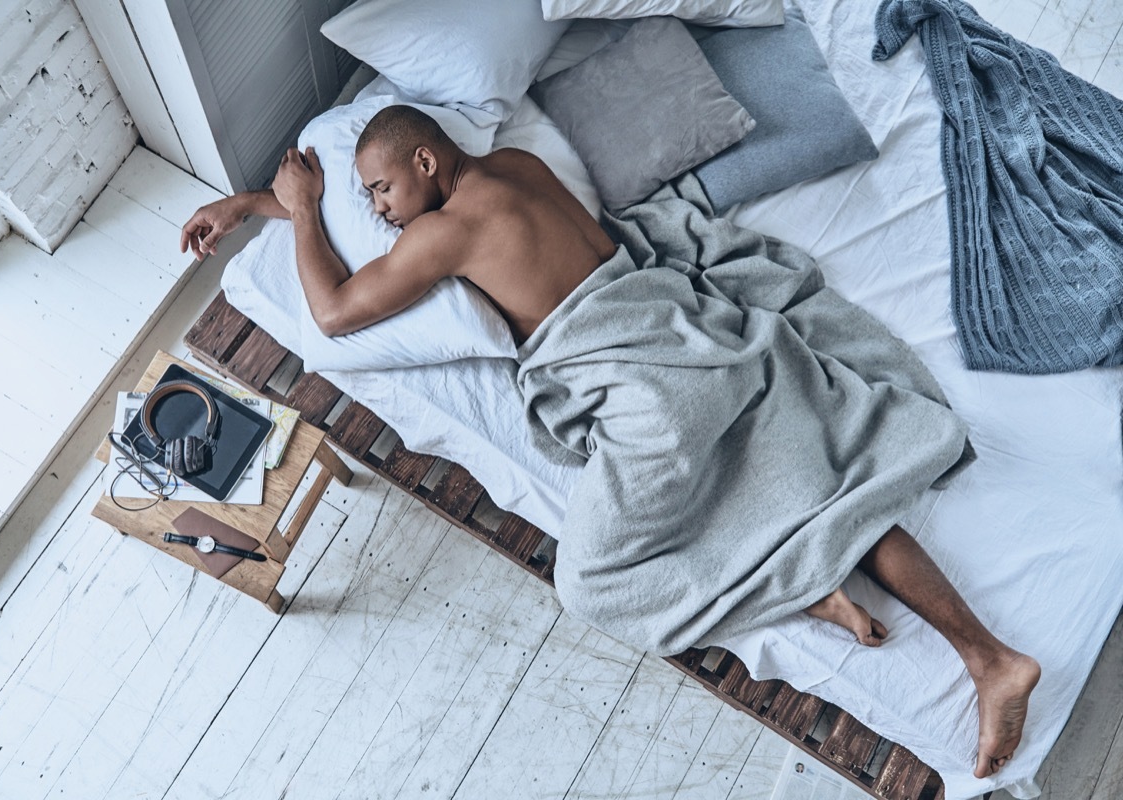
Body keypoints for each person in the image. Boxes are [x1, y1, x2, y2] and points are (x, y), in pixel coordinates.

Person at [181, 104, 1040, 780]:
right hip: (699, 341)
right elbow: (365, 221)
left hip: (651, 397)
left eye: (379, 192)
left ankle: (796, 590)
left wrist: (294, 213)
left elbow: (331, 314)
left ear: (426, 164)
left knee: (588, 580)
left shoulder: (443, 234)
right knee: (820, 488)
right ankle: (988, 657)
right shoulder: (517, 167)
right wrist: (259, 202)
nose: (375, 212)